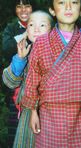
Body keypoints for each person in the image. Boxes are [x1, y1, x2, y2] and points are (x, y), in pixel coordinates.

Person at [21, 0, 81, 147]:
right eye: (61, 2)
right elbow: (32, 79)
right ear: (52, 10)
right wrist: (33, 111)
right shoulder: (41, 43)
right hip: (49, 113)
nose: (68, 7)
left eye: (74, 2)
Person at [2, 10, 53, 148]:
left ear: (53, 30)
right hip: (27, 116)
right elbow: (10, 82)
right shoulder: (25, 52)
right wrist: (20, 59)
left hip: (54, 114)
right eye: (31, 25)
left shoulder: (58, 55)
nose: (36, 29)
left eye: (42, 25)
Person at [1, 0, 32, 146]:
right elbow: (6, 48)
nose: (23, 10)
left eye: (27, 5)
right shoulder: (11, 28)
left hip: (35, 90)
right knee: (14, 132)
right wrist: (26, 34)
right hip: (14, 88)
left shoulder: (42, 25)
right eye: (19, 6)